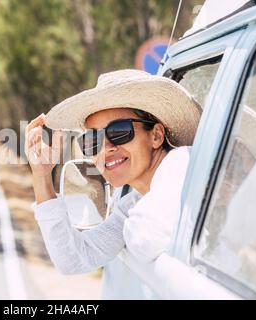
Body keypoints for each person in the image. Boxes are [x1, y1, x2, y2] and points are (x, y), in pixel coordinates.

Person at [25, 69, 201, 298]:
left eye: (119, 132)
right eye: (93, 139)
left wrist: (123, 233)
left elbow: (148, 238)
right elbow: (72, 260)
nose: (106, 147)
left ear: (156, 136)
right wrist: (41, 174)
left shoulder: (181, 164)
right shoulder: (134, 205)